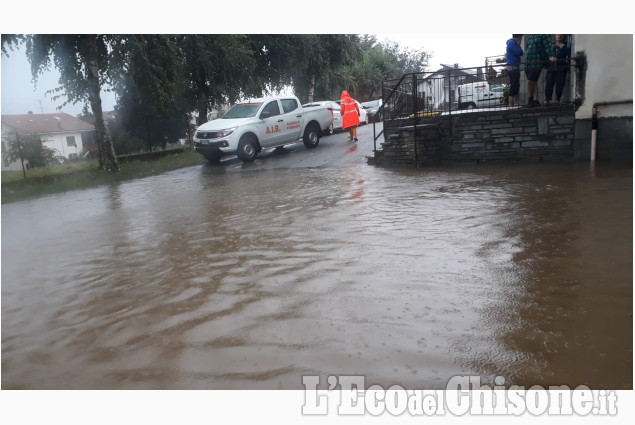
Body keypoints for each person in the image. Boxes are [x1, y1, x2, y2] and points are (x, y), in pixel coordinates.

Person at [523, 34, 553, 107]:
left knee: (530, 81)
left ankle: (530, 98)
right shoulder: (531, 36)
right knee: (534, 82)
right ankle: (536, 101)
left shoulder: (544, 34)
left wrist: (551, 55)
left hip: (537, 61)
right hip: (528, 62)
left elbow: (548, 45)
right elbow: (527, 48)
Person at [544, 34, 571, 105]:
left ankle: (558, 99)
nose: (559, 36)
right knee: (549, 83)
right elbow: (546, 55)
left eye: (560, 35)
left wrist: (569, 72)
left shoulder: (566, 47)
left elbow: (568, 57)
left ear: (563, 37)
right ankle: (547, 99)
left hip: (561, 68)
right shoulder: (551, 46)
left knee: (560, 84)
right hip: (551, 68)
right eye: (558, 35)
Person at [505, 34, 523, 106]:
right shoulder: (513, 43)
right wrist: (518, 44)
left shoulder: (510, 43)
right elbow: (520, 52)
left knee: (515, 84)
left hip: (511, 66)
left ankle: (514, 102)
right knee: (514, 84)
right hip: (513, 66)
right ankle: (512, 103)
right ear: (518, 37)